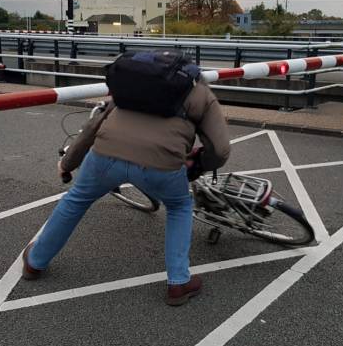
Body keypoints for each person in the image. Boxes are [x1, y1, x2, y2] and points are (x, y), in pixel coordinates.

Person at [21, 77, 231, 306]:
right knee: (179, 206)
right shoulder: (201, 92)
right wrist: (199, 164)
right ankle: (179, 282)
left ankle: (35, 261)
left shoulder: (134, 82)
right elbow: (220, 150)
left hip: (105, 156)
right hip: (161, 163)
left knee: (77, 199)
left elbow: (94, 125)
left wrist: (67, 164)